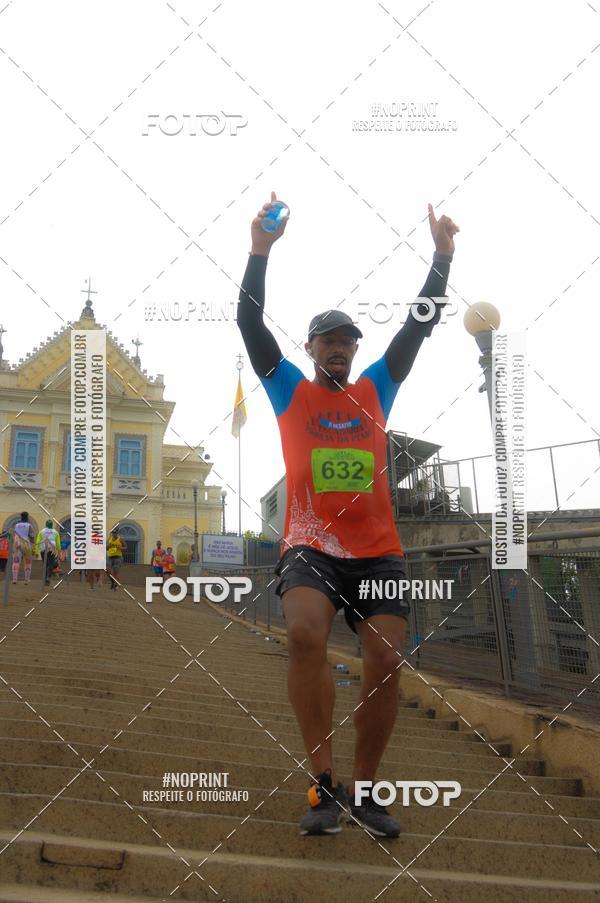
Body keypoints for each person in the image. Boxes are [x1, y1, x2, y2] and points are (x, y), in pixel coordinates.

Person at [237, 192, 458, 837]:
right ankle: (322, 785)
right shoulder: (288, 389)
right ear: (310, 348)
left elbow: (417, 326)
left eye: (348, 342)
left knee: (386, 662)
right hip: (311, 544)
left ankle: (363, 790)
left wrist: (441, 258)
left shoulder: (375, 389)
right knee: (305, 635)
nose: (340, 348)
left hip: (378, 549)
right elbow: (250, 324)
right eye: (329, 340)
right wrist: (259, 252)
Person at [12, 512, 35, 584]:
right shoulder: (29, 525)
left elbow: (14, 535)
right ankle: (26, 580)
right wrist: (33, 545)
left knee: (16, 562)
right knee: (28, 562)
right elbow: (32, 537)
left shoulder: (16, 525)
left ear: (21, 517)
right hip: (26, 545)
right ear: (27, 517)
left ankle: (14, 579)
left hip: (17, 544)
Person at [35, 520, 61, 586]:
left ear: (46, 524)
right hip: (52, 549)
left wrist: (36, 551)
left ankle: (45, 579)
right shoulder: (55, 532)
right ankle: (48, 577)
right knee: (51, 564)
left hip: (43, 549)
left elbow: (38, 541)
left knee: (45, 564)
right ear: (52, 525)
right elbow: (58, 543)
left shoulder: (42, 531)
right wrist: (59, 552)